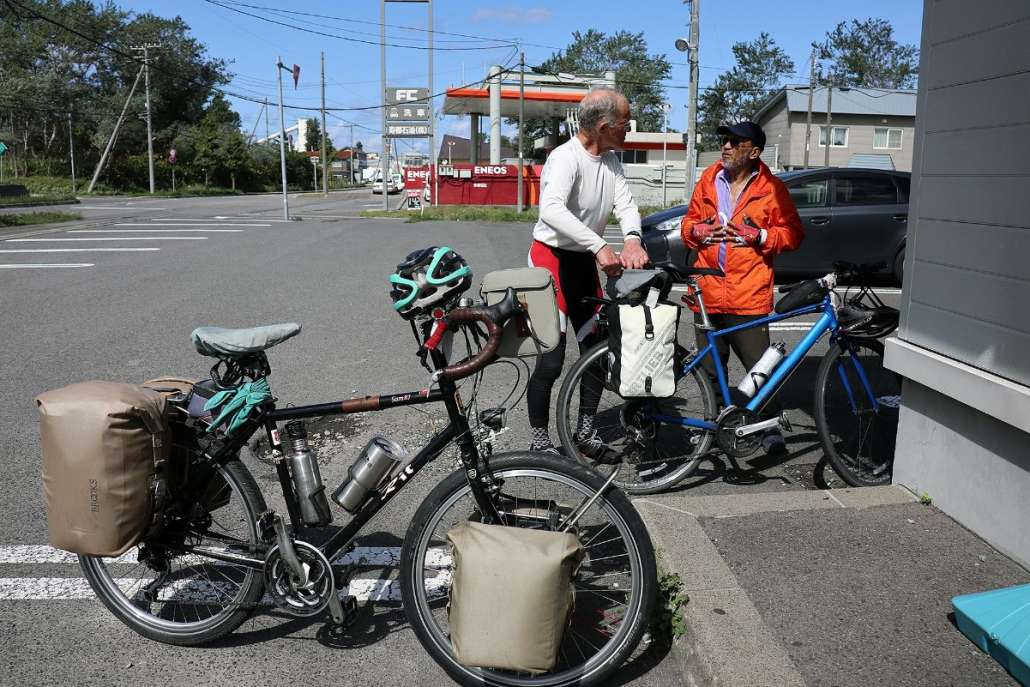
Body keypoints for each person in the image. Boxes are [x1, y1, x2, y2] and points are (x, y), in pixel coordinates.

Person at [526, 87, 648, 456]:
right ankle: (540, 442)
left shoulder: (611, 160)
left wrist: (631, 239)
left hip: (581, 264)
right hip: (550, 260)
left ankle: (586, 434)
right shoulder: (565, 158)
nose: (630, 130)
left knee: (596, 352)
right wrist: (598, 245)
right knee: (552, 360)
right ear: (604, 125)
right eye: (626, 124)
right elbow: (551, 210)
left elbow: (626, 204)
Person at [679, 121, 804, 453]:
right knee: (709, 370)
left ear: (755, 152)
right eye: (725, 140)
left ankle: (768, 425)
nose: (727, 146)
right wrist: (698, 233)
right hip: (706, 291)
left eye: (735, 142)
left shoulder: (772, 188)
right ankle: (713, 429)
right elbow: (688, 225)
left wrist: (761, 236)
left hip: (747, 294)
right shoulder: (709, 178)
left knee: (760, 367)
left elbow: (794, 234)